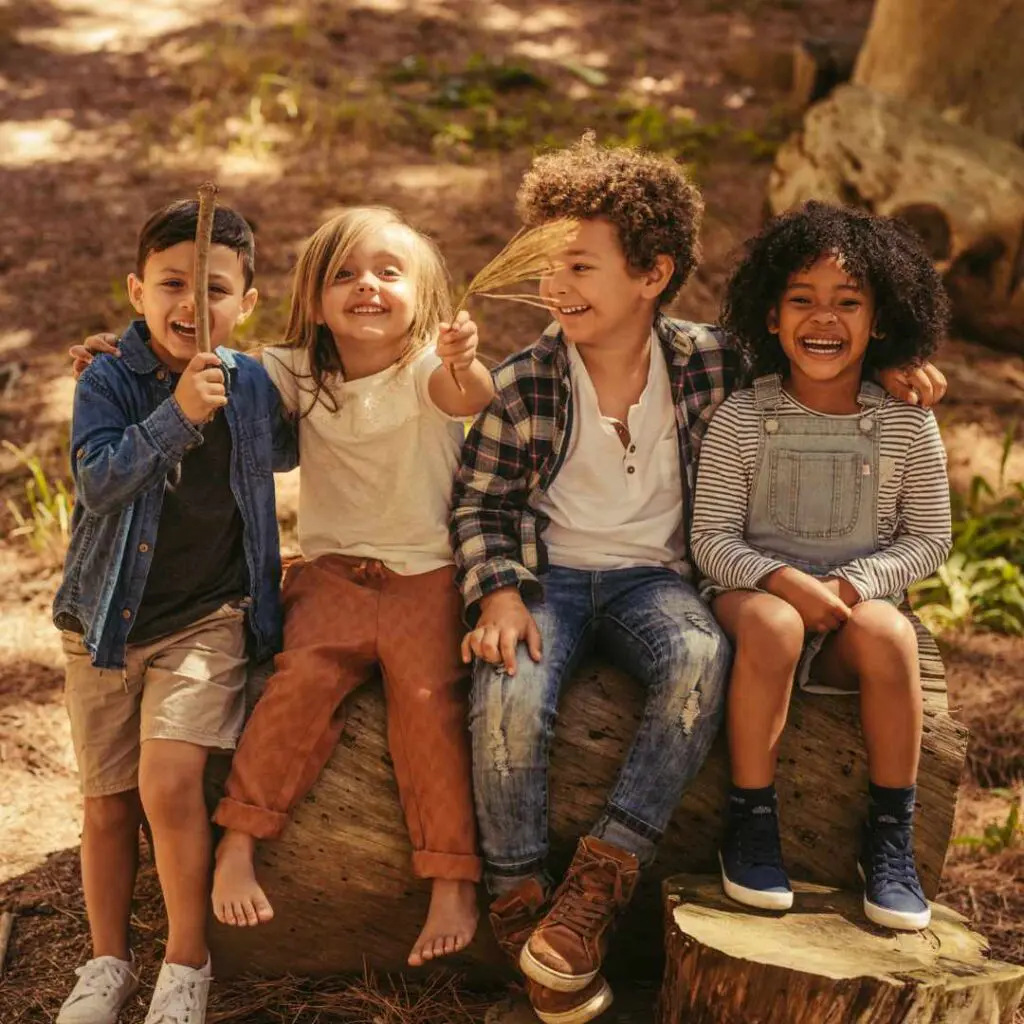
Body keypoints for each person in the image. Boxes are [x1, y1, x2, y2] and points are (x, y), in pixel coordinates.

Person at [449, 137, 948, 1024]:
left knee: (698, 657)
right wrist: (496, 591)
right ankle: (521, 893)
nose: (556, 285)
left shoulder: (712, 361)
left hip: (657, 581)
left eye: (579, 265)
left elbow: (816, 357)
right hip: (550, 580)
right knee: (509, 688)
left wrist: (889, 366)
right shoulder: (525, 383)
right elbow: (483, 504)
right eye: (548, 263)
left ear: (653, 275)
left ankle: (603, 874)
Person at [206, 206, 493, 967]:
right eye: (345, 274)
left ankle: (451, 879)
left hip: (424, 576)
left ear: (424, 294)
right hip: (331, 573)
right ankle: (238, 838)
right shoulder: (295, 371)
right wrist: (122, 359)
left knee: (429, 709)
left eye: (389, 273)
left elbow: (473, 397)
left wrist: (466, 358)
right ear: (314, 295)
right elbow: (215, 368)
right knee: (296, 687)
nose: (367, 285)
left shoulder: (430, 367)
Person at [53, 199, 297, 1024]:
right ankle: (105, 960)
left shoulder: (257, 384)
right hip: (104, 622)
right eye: (171, 284)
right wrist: (178, 414)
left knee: (169, 782)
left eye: (217, 288)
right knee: (107, 800)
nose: (193, 304)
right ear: (135, 290)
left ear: (247, 302)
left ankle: (185, 965)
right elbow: (98, 482)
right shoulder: (107, 379)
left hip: (207, 618)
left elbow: (318, 424)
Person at [690, 200, 952, 931]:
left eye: (848, 303)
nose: (824, 319)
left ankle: (890, 835)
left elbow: (929, 538)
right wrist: (782, 581)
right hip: (754, 599)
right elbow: (710, 538)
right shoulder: (743, 417)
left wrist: (850, 585)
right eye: (801, 300)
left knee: (891, 635)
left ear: (882, 320)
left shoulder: (905, 421)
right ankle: (751, 820)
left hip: (847, 612)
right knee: (773, 624)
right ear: (771, 318)